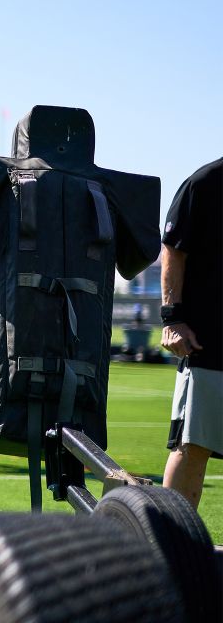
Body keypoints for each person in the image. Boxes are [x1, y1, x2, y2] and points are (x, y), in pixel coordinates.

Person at [160, 157, 221, 510]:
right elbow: (173, 249)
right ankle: (172, 545)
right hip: (209, 341)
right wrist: (172, 318)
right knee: (193, 445)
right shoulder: (205, 183)